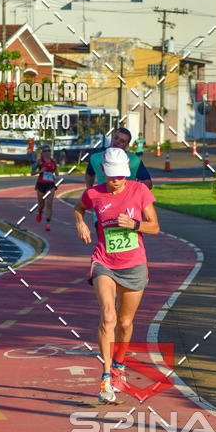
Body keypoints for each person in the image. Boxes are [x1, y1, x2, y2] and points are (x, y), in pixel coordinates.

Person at [74, 147, 159, 404]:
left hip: (133, 265)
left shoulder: (140, 191)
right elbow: (79, 208)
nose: (116, 181)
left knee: (124, 322)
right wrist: (80, 222)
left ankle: (119, 364)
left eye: (121, 176)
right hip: (104, 262)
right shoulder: (94, 193)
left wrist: (134, 225)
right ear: (104, 173)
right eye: (112, 177)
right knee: (108, 317)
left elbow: (154, 227)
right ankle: (105, 378)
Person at [85, 127, 152, 191]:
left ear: (127, 145)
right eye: (116, 138)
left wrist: (134, 194)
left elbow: (147, 182)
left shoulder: (135, 160)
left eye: (122, 141)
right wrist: (89, 189)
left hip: (126, 199)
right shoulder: (95, 158)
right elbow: (89, 174)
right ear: (112, 138)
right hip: (104, 198)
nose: (117, 142)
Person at [32, 144, 58, 230]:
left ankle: (47, 223)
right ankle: (40, 211)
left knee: (49, 203)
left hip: (50, 184)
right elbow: (32, 173)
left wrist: (56, 171)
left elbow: (56, 172)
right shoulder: (39, 162)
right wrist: (40, 171)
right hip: (41, 184)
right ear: (42, 153)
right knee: (41, 204)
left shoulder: (53, 161)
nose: (47, 153)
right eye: (45, 151)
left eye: (48, 151)